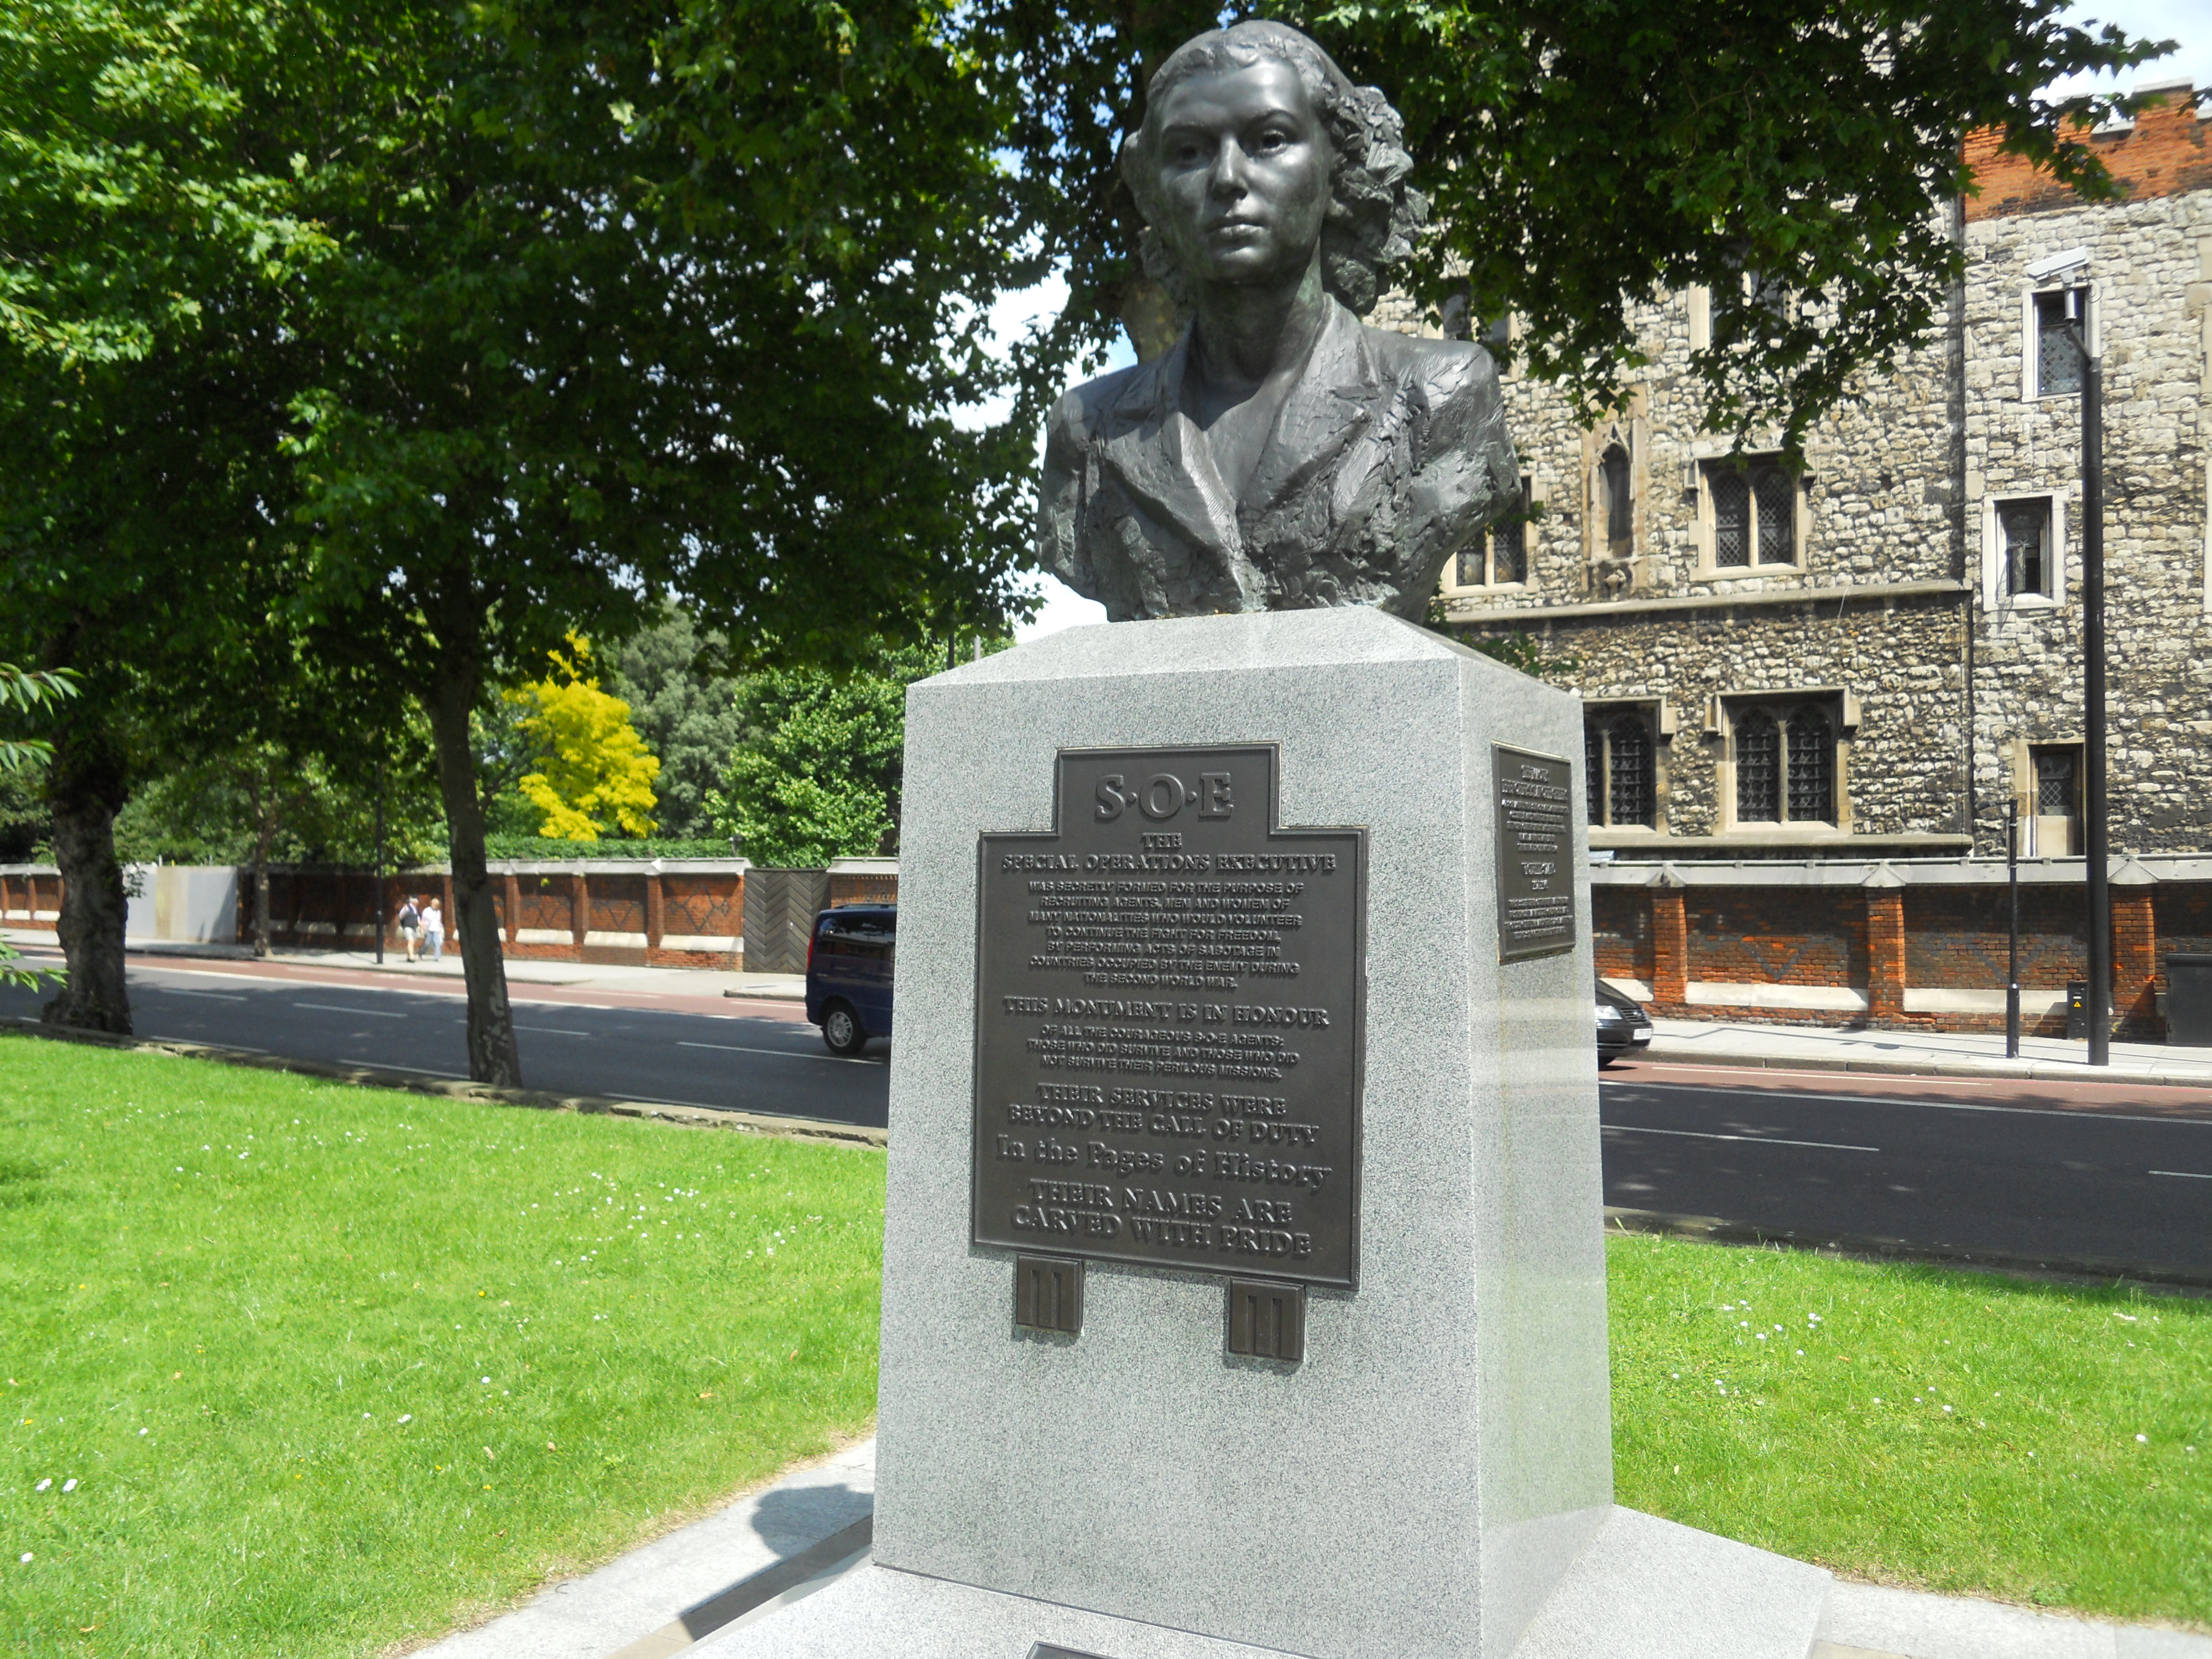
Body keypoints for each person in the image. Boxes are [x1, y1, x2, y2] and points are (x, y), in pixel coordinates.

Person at [1039, 20, 1517, 621]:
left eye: (1269, 140)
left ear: (1337, 171)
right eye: (1188, 152)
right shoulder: (1087, 431)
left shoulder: (1444, 395)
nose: (1227, 178)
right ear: (1154, 195)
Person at [396, 895, 421, 963]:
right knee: (411, 941)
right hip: (408, 927)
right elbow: (401, 916)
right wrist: (405, 911)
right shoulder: (407, 908)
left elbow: (418, 918)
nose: (418, 902)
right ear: (414, 901)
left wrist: (421, 925)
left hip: (414, 927)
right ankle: (411, 956)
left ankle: (409, 956)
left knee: (412, 943)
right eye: (417, 901)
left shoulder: (415, 909)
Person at [420, 899, 445, 964]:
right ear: (432, 904)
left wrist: (441, 929)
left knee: (437, 943)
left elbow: (439, 922)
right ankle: (421, 953)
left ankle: (437, 957)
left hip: (436, 929)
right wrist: (422, 928)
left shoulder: (438, 912)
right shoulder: (427, 911)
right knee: (427, 944)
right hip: (429, 929)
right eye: (435, 905)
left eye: (437, 905)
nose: (436, 906)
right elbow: (423, 920)